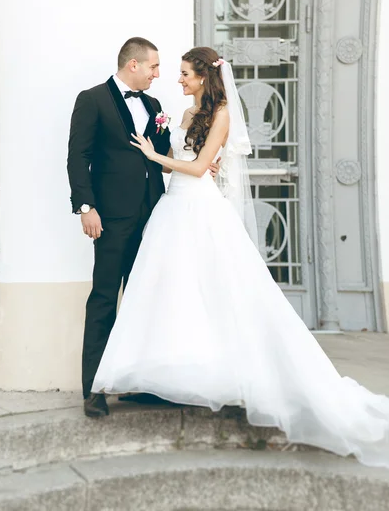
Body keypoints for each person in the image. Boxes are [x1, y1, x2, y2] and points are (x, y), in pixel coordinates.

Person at [91, 46, 389, 469]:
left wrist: (155, 156)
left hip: (199, 208)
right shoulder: (185, 114)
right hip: (172, 209)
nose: (177, 79)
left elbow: (197, 168)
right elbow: (182, 162)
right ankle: (173, 372)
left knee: (220, 290)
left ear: (203, 76)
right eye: (174, 72)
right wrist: (158, 160)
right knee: (173, 293)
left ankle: (237, 371)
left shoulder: (223, 114)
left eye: (184, 73)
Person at [67, 37, 221, 418]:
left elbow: (167, 154)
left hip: (155, 218)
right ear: (133, 65)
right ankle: (94, 389)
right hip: (111, 218)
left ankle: (141, 383)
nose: (158, 74)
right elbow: (77, 156)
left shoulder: (153, 106)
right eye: (153, 67)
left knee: (147, 300)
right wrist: (86, 207)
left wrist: (200, 162)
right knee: (104, 298)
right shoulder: (93, 99)